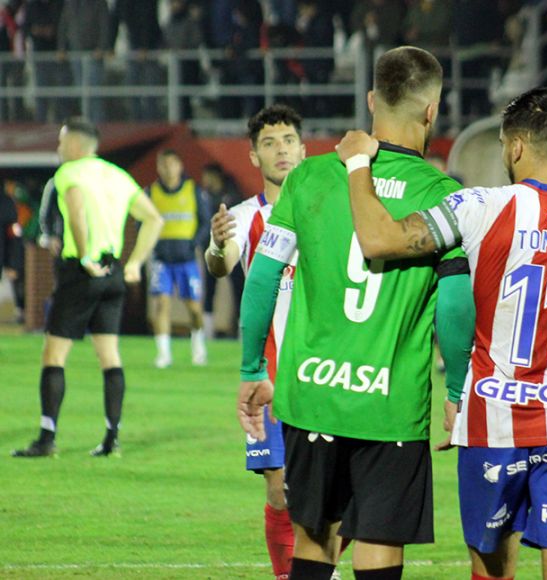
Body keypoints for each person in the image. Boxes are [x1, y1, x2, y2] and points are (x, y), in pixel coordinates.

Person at [334, 87, 547, 580]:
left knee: (493, 571)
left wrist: (356, 165)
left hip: (491, 420)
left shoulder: (478, 206)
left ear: (516, 146)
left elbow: (381, 239)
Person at [237, 47, 475, 580]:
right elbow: (455, 306)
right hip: (389, 405)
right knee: (378, 550)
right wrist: (458, 391)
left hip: (311, 395)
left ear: (371, 100)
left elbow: (262, 276)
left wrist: (253, 368)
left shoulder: (309, 177)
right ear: (433, 110)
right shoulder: (443, 195)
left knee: (314, 544)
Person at [11, 117, 163, 458]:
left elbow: (77, 211)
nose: (59, 148)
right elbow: (154, 218)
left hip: (81, 273)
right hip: (113, 274)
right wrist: (135, 262)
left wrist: (83, 257)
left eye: (62, 142)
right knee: (109, 355)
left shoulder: (70, 173)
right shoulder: (117, 175)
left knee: (54, 355)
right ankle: (112, 438)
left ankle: (47, 439)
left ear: (76, 146)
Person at [204, 105, 305, 580]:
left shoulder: (331, 212)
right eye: (269, 143)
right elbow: (222, 262)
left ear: (303, 149)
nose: (281, 149)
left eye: (288, 140)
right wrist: (215, 246)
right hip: (269, 377)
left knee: (329, 492)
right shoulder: (245, 218)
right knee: (280, 491)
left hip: (326, 374)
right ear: (252, 156)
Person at [148, 149, 211, 368]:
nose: (168, 169)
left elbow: (205, 222)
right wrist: (152, 243)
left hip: (186, 260)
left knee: (193, 308)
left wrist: (193, 243)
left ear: (180, 166)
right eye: (163, 165)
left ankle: (198, 346)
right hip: (161, 260)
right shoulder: (151, 193)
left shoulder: (192, 191)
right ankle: (164, 354)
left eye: (172, 164)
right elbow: (142, 222)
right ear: (158, 168)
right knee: (161, 304)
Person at [201, 163, 244, 338]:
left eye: (206, 176)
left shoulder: (232, 195)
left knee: (239, 290)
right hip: (211, 249)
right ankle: (207, 332)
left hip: (233, 249)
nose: (204, 180)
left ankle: (242, 331)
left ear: (215, 176)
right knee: (209, 290)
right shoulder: (204, 196)